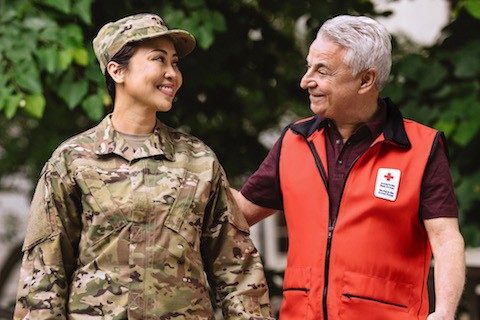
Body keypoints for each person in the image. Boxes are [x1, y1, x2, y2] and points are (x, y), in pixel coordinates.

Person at [14, 13, 272, 320]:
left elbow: (237, 271)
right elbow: (43, 276)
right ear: (117, 70)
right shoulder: (72, 160)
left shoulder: (198, 160)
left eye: (175, 63)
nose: (172, 73)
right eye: (158, 60)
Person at [232, 15, 465, 320]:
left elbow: (446, 238)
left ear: (365, 80)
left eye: (322, 70)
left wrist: (445, 312)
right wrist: (182, 177)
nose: (306, 81)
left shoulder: (421, 148)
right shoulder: (294, 141)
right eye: (308, 66)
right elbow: (238, 214)